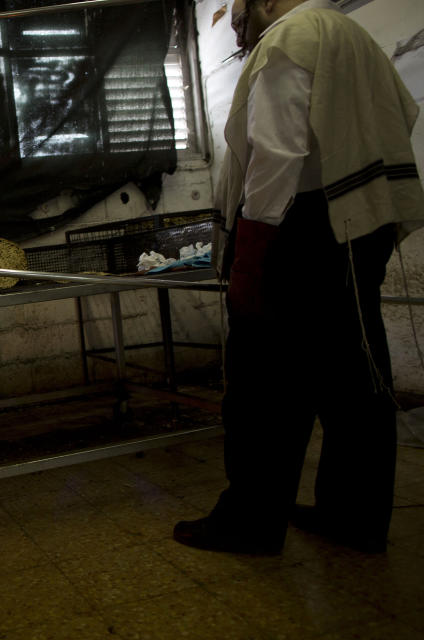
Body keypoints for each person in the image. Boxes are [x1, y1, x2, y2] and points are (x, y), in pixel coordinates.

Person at [175, 0, 424, 554]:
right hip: (357, 226)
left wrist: (249, 256)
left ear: (265, 1)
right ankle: (353, 515)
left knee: (265, 387)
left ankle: (250, 522)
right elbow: (402, 115)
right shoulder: (350, 35)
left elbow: (276, 154)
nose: (240, 29)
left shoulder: (288, 39)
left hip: (299, 229)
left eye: (242, 17)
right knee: (353, 379)